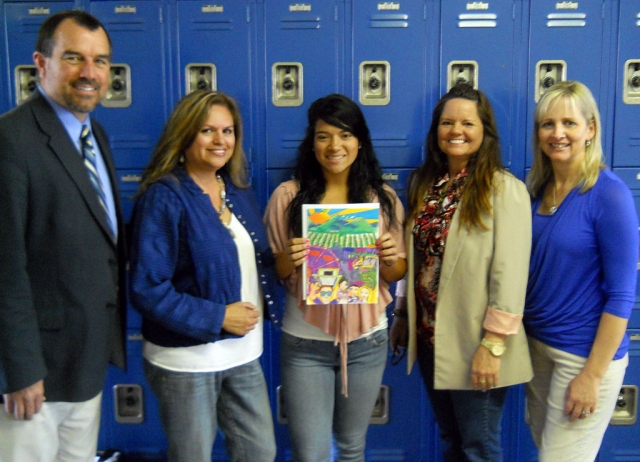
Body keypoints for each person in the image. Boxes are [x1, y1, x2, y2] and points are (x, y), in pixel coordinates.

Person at [0, 10, 126, 461]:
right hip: (36, 374)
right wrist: (19, 370)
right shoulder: (11, 141)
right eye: (74, 57)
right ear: (42, 62)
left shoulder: (96, 136)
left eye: (101, 61)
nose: (90, 73)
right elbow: (5, 269)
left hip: (85, 361)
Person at [128, 90, 278, 462]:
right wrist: (219, 316)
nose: (220, 141)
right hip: (187, 361)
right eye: (207, 130)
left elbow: (250, 262)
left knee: (259, 452)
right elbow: (147, 289)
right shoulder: (165, 196)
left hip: (243, 354)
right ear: (185, 134)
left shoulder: (237, 191)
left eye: (227, 131)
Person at [390, 83, 533, 462]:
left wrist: (493, 345)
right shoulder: (426, 185)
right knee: (453, 440)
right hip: (432, 339)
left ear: (484, 131)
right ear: (436, 130)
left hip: (476, 343)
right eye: (447, 122)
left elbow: (511, 273)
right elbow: (416, 256)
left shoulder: (503, 189)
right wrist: (403, 314)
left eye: (467, 123)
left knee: (479, 448)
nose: (456, 131)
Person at [264, 93, 406, 461]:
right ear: (312, 144)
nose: (335, 145)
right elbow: (278, 273)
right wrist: (289, 258)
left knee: (351, 447)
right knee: (310, 454)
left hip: (366, 342)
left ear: (360, 141)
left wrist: (389, 257)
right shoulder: (288, 197)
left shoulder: (382, 199)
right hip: (304, 344)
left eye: (345, 135)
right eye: (324, 136)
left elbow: (396, 272)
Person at [524, 80, 638, 461]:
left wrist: (591, 375)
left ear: (591, 129)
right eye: (548, 124)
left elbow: (622, 293)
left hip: (584, 357)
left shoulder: (609, 193)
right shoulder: (537, 189)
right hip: (538, 349)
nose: (558, 134)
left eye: (569, 123)